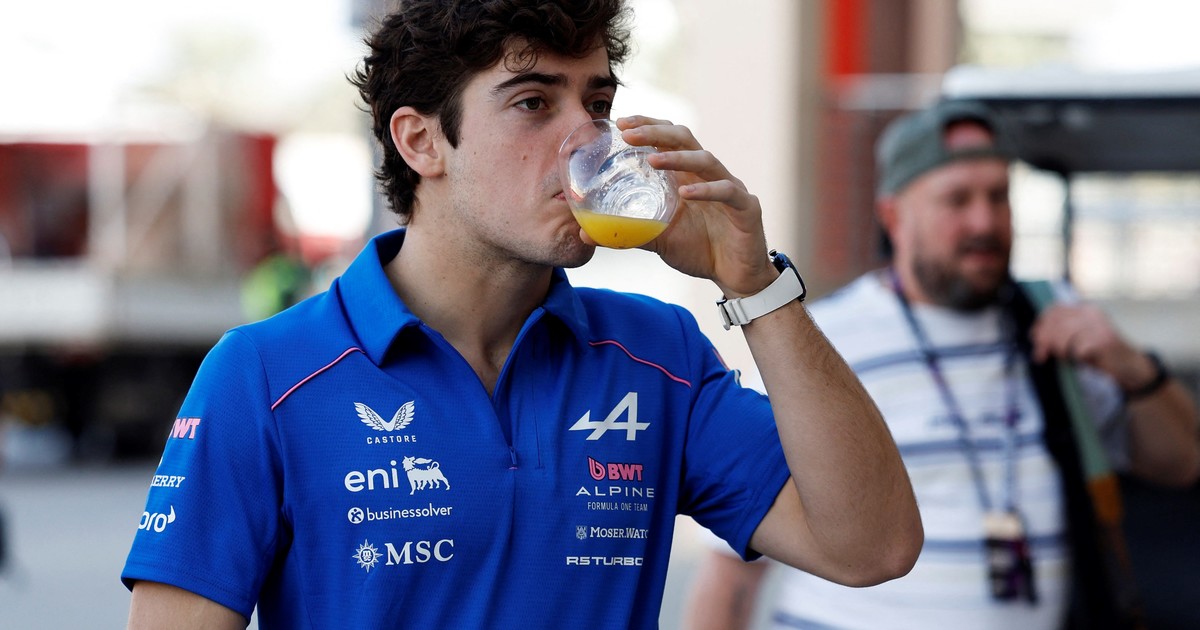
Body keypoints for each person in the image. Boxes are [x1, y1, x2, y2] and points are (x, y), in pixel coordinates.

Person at [120, 1, 923, 628]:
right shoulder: (263, 374)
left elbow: (872, 548)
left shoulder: (658, 356)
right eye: (534, 102)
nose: (587, 137)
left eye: (597, 101)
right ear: (421, 143)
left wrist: (754, 285)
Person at [683, 100, 1200, 630]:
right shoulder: (819, 341)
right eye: (957, 199)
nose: (984, 221)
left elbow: (1182, 462)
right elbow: (731, 571)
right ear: (894, 216)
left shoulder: (1052, 318)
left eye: (999, 196)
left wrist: (1132, 367)